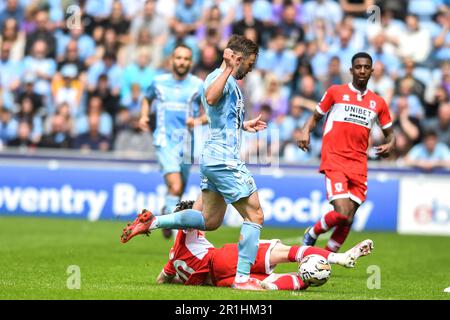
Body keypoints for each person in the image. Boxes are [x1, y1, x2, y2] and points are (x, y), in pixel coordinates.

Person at [121, 35, 267, 290]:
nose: (251, 69)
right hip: (223, 160)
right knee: (255, 214)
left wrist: (245, 125)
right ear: (238, 59)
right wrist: (229, 69)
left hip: (213, 157)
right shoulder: (217, 78)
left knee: (210, 220)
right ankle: (242, 278)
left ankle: (153, 222)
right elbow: (210, 99)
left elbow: (220, 117)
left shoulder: (229, 83)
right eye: (250, 63)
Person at [154, 201, 374, 290]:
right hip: (224, 258)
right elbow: (194, 214)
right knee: (288, 252)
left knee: (300, 280)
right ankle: (339, 257)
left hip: (221, 281)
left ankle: (277, 284)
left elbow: (162, 279)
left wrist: (180, 279)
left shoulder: (174, 258)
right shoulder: (188, 232)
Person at [298, 52, 395, 253]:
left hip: (359, 164)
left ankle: (326, 258)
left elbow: (390, 135)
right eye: (358, 67)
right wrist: (306, 130)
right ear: (351, 70)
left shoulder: (378, 103)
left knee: (349, 218)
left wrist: (390, 145)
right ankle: (313, 233)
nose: (362, 70)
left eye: (366, 67)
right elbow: (316, 116)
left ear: (372, 71)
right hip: (335, 159)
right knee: (342, 212)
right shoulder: (335, 92)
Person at [137, 44, 207, 238]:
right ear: (171, 60)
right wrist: (144, 116)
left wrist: (198, 120)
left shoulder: (198, 85)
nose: (182, 62)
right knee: (175, 186)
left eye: (186, 59)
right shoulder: (158, 82)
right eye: (178, 58)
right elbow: (146, 98)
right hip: (164, 140)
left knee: (178, 190)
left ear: (191, 62)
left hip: (186, 143)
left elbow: (211, 113)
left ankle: (168, 212)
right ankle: (177, 240)